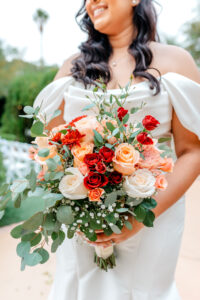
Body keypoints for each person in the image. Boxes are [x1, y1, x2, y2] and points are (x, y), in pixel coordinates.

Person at [33, 0, 200, 299]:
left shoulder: (176, 61)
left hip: (153, 219)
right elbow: (51, 147)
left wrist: (139, 218)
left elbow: (193, 151)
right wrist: (75, 201)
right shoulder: (72, 68)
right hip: (84, 223)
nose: (91, 2)